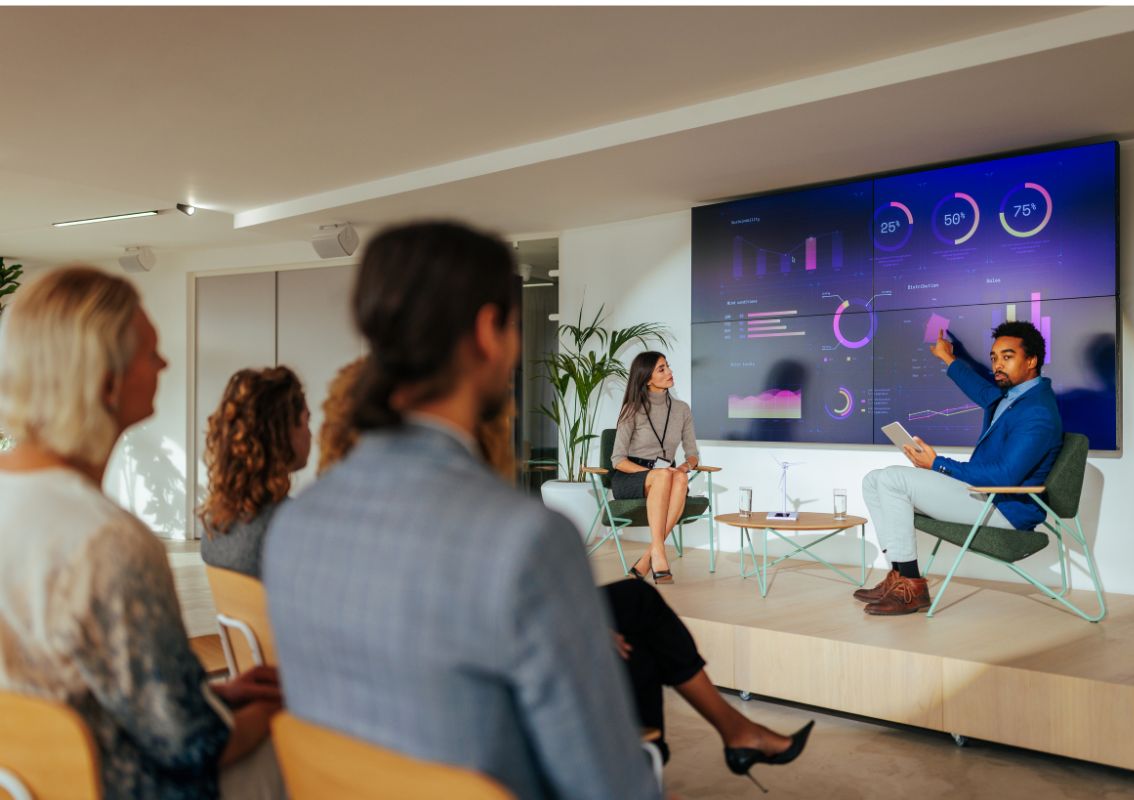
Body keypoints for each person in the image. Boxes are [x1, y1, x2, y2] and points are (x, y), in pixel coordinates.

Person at [263, 221, 660, 799]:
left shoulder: (294, 526)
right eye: (514, 327)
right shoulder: (528, 541)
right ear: (486, 332)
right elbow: (608, 788)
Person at [311, 358, 814, 781]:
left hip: (398, 727)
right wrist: (579, 624)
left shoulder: (309, 528)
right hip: (494, 738)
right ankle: (655, 767)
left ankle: (654, 568)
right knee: (636, 637)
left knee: (638, 596)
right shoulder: (517, 528)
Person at [0, 266, 283, 799]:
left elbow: (69, 688)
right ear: (105, 380)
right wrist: (276, 709)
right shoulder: (107, 543)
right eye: (151, 352)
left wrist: (210, 694)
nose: (165, 364)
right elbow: (195, 747)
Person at [858, 321, 1063, 616]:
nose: (997, 365)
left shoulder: (1037, 411)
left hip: (1004, 508)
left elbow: (1005, 476)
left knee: (892, 479)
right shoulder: (1012, 396)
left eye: (1007, 357)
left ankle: (912, 586)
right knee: (873, 479)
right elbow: (978, 387)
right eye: (994, 357)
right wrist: (946, 356)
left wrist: (937, 463)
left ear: (1031, 361)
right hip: (982, 495)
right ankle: (898, 575)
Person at [199, 366, 311, 578]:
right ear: (282, 432)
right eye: (306, 421)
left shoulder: (214, 524)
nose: (310, 434)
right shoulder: (292, 524)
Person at [611, 351, 700, 584]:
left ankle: (648, 557)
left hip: (667, 475)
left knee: (680, 478)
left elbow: (693, 454)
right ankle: (658, 554)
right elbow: (618, 460)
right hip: (631, 476)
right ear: (647, 378)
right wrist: (654, 473)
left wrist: (684, 467)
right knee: (663, 476)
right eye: (662, 368)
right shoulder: (632, 408)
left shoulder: (682, 409)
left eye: (667, 366)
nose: (669, 372)